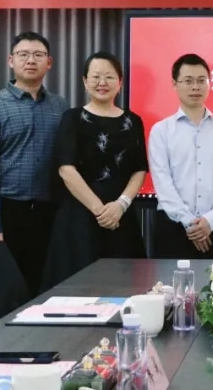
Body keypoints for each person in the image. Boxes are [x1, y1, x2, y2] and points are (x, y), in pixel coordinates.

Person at [0, 32, 67, 304]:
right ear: (11, 61)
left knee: (45, 297)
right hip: (7, 214)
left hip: (48, 215)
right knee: (4, 298)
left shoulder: (60, 106)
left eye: (38, 55)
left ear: (49, 62)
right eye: (23, 55)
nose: (30, 60)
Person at [43, 52, 147, 288]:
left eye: (109, 77)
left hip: (120, 217)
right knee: (78, 291)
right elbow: (66, 169)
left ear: (120, 82)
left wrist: (120, 206)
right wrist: (100, 211)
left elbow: (140, 169)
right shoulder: (72, 118)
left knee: (124, 288)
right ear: (85, 81)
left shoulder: (133, 121)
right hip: (80, 217)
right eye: (96, 76)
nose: (102, 82)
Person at [149, 53, 213, 260]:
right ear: (174, 84)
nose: (195, 87)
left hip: (212, 230)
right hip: (171, 228)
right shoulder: (161, 131)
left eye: (201, 81)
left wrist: (210, 220)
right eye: (188, 81)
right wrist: (190, 223)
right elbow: (163, 182)